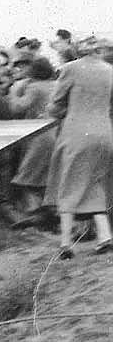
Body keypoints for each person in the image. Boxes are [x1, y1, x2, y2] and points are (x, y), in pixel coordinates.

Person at [46, 40, 113, 258]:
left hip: (76, 135)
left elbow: (56, 105)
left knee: (68, 183)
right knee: (94, 183)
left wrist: (57, 111)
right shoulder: (109, 70)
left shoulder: (69, 69)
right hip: (105, 134)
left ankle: (66, 243)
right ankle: (105, 237)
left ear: (77, 50)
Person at [8, 55, 59, 228]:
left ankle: (38, 213)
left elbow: (17, 108)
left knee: (25, 179)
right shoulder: (56, 85)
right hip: (57, 133)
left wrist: (14, 93)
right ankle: (49, 213)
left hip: (40, 137)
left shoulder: (35, 87)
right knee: (47, 178)